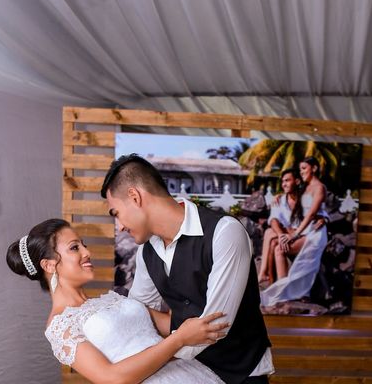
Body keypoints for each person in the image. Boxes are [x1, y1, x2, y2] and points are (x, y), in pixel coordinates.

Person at [101, 154, 273, 384]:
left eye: (116, 214)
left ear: (135, 197)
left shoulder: (224, 232)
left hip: (242, 373)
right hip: (186, 373)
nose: (119, 226)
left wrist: (157, 353)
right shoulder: (147, 251)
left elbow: (215, 327)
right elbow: (138, 318)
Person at [6, 219, 227, 383]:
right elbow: (113, 379)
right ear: (49, 265)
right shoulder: (59, 326)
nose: (87, 252)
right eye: (75, 248)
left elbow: (177, 325)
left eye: (83, 244)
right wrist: (177, 341)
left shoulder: (112, 298)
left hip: (192, 374)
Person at [260, 156, 329, 307]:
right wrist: (279, 196)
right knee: (275, 242)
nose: (302, 172)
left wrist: (295, 234)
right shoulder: (306, 187)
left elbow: (313, 214)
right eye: (300, 170)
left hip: (314, 234)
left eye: (304, 168)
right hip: (305, 231)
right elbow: (296, 202)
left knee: (279, 247)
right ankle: (282, 287)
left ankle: (288, 291)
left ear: (314, 169)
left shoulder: (319, 187)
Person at [257, 168, 302, 284]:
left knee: (273, 242)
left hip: (300, 236)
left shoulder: (306, 199)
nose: (284, 184)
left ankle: (267, 277)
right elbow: (273, 220)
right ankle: (264, 274)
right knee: (269, 233)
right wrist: (281, 235)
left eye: (287, 181)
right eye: (283, 181)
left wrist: (290, 233)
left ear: (297, 181)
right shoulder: (280, 200)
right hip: (287, 234)